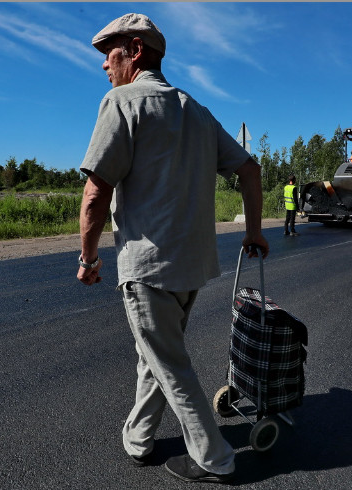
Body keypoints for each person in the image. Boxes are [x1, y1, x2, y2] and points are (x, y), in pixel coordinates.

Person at [76, 13, 269, 484]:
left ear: (135, 50)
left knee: (170, 363)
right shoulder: (196, 110)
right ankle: (139, 438)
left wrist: (88, 257)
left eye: (110, 52)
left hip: (147, 264)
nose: (104, 64)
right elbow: (250, 170)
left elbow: (96, 191)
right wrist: (255, 231)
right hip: (192, 265)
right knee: (157, 354)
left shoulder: (122, 101)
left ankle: (214, 458)